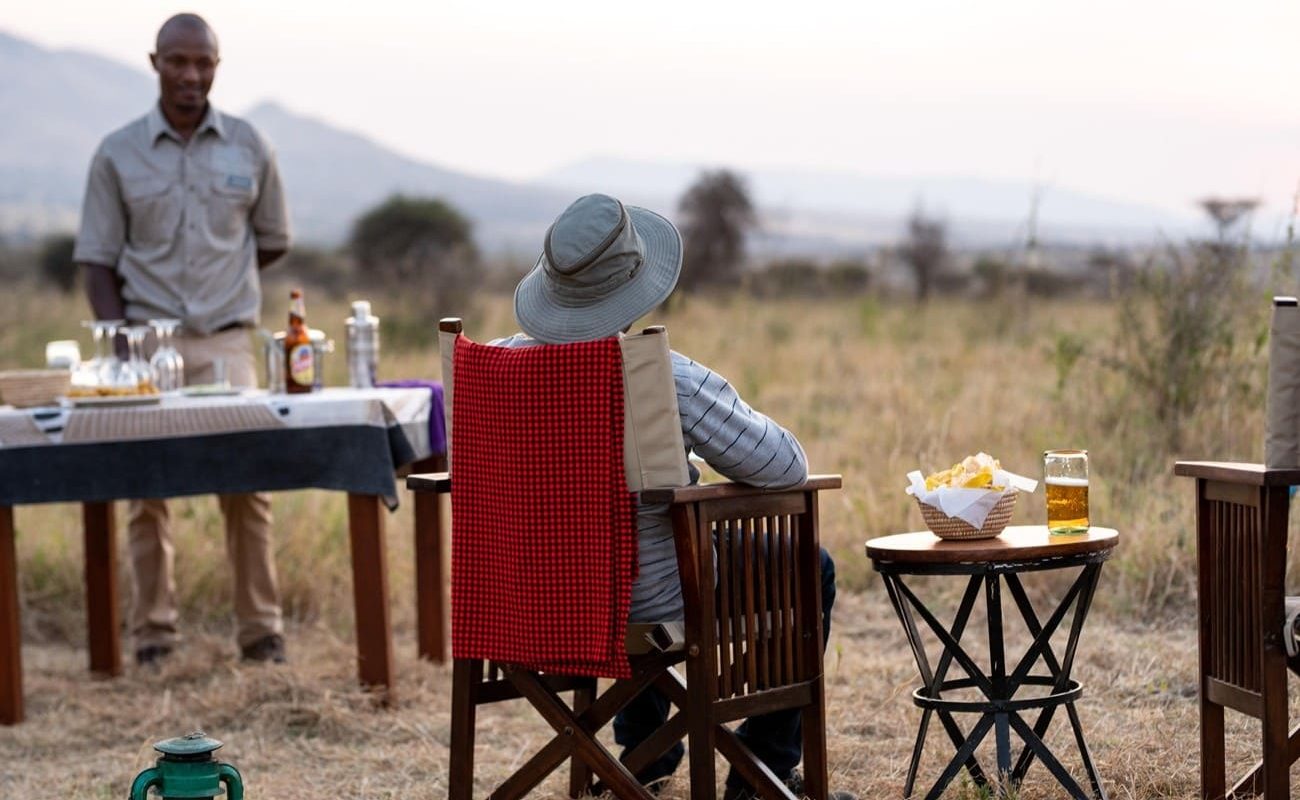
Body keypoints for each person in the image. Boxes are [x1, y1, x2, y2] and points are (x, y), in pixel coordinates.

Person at [497, 193, 857, 800]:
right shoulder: (656, 373)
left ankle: (642, 767)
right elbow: (784, 466)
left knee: (653, 551)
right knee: (805, 565)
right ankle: (761, 774)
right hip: (644, 600)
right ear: (634, 284)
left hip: (525, 599)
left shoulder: (497, 369)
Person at [73, 13, 292, 666]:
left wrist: (223, 288)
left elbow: (273, 239)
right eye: (178, 62)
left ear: (217, 68)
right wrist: (123, 350)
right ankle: (153, 637)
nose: (191, 75)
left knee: (248, 485)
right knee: (147, 491)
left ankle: (262, 634)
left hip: (228, 342)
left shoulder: (251, 145)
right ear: (156, 63)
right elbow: (96, 259)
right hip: (145, 343)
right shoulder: (118, 151)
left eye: (204, 63)